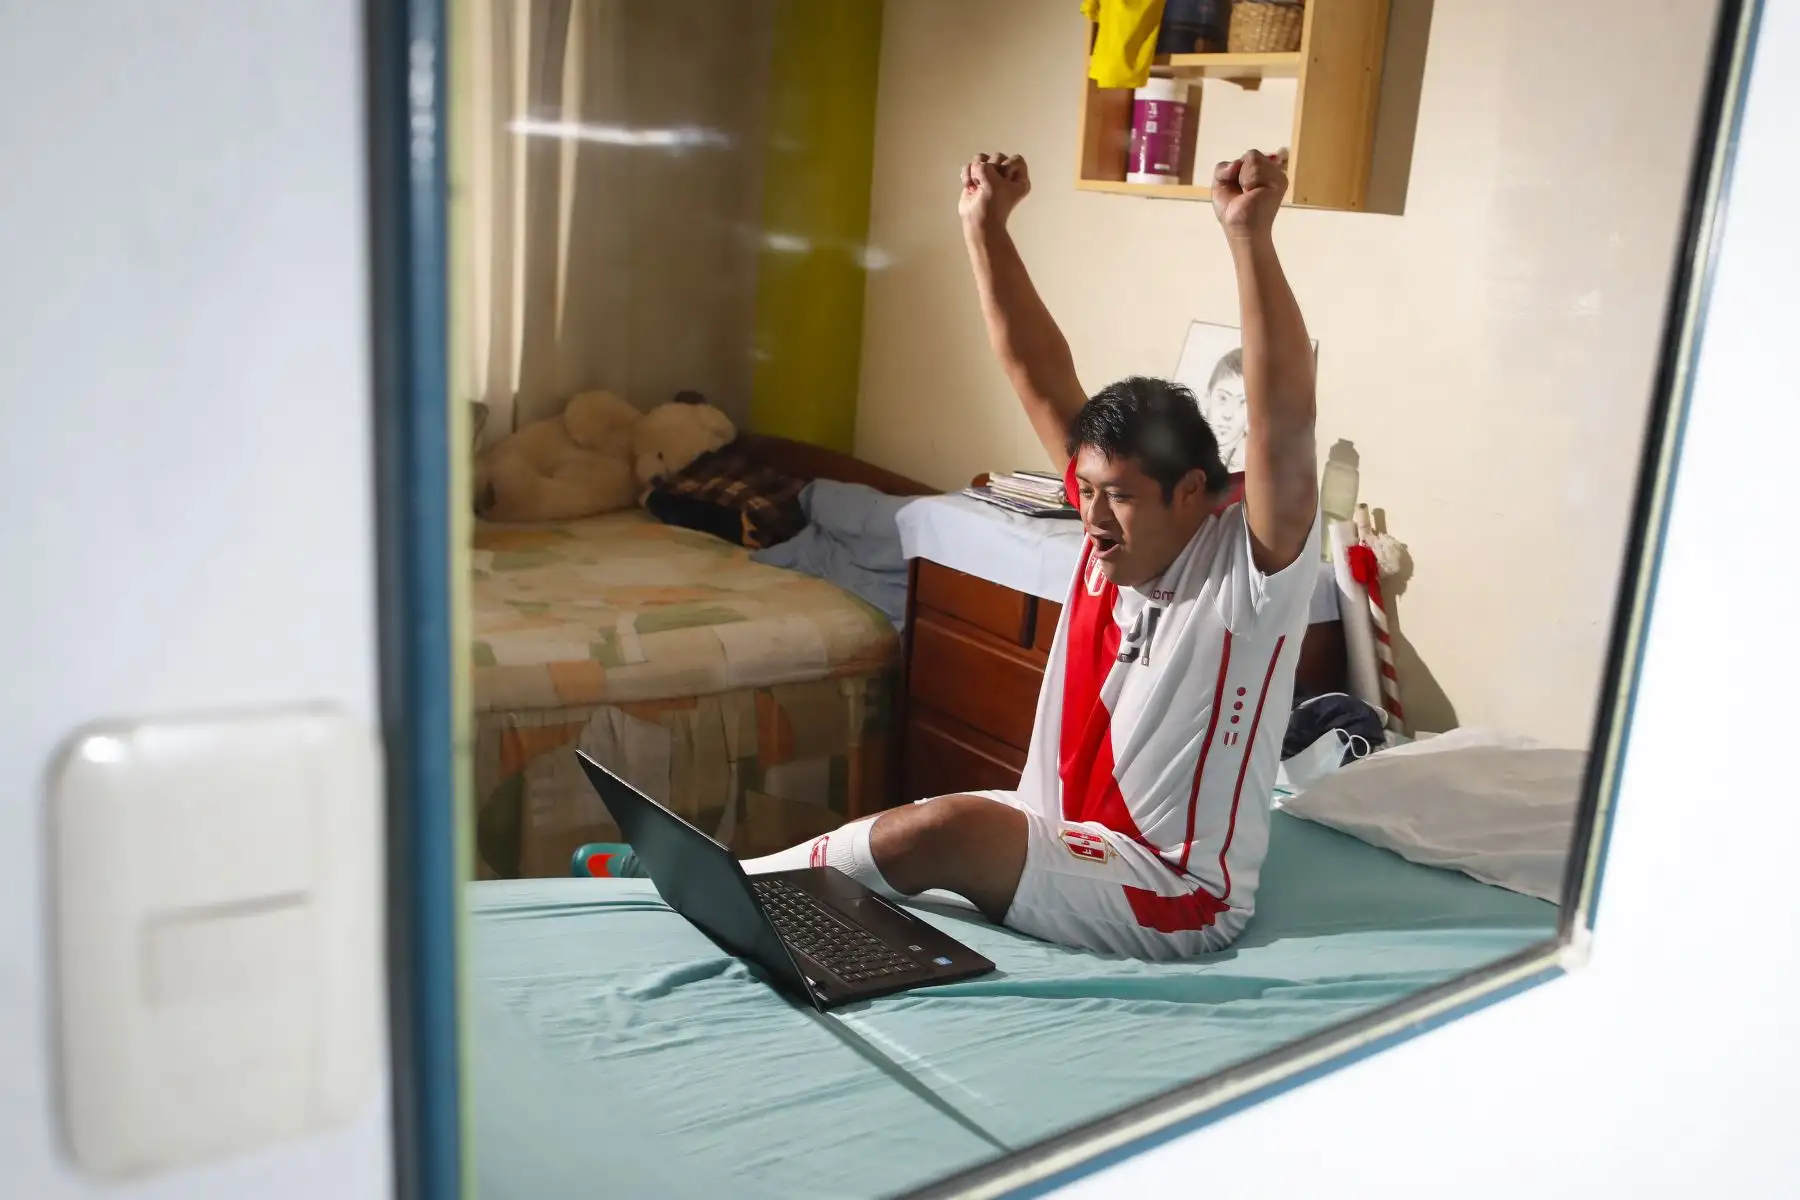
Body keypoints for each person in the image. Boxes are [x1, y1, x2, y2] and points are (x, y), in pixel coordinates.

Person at [604, 148, 1320, 960]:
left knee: (945, 830)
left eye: (1117, 495)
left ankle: (704, 895)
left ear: (1193, 491)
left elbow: (1286, 419)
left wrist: (1249, 236)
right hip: (1061, 828)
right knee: (902, 828)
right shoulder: (1108, 527)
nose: (1092, 519)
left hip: (1171, 890)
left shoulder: (1248, 574)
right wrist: (985, 226)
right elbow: (1038, 370)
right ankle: (715, 883)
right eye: (1085, 490)